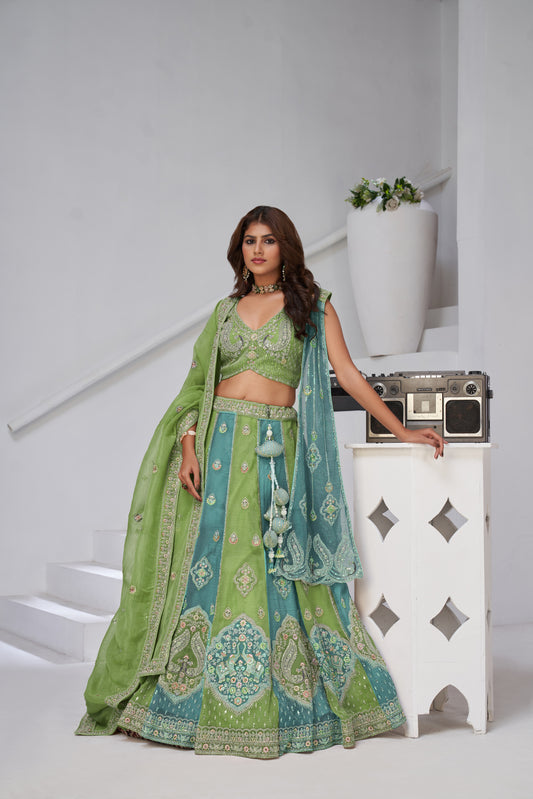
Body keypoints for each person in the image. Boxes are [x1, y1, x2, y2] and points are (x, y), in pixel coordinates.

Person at [76, 205, 445, 758]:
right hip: (218, 450)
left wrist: (402, 429)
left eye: (268, 240)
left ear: (285, 247)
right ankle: (172, 702)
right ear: (239, 250)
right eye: (249, 240)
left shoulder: (313, 306)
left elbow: (347, 375)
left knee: (272, 568)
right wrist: (188, 447)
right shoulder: (224, 312)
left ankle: (275, 702)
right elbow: (195, 388)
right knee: (205, 569)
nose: (257, 249)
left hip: (275, 454)